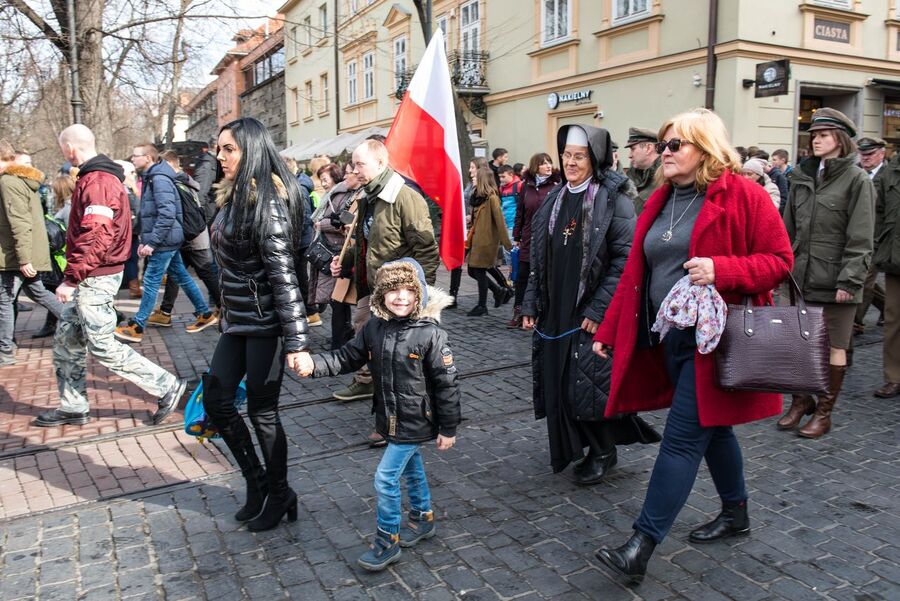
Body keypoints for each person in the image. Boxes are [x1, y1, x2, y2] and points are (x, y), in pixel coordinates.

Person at [592, 109, 793, 584]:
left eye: (675, 144)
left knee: (683, 439)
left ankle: (640, 546)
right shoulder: (660, 199)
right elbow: (636, 276)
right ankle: (736, 512)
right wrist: (608, 330)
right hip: (671, 338)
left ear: (705, 149)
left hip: (719, 341)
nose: (664, 152)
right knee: (715, 429)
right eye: (663, 144)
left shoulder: (743, 194)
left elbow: (780, 261)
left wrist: (723, 270)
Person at [294, 258, 460, 572]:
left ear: (419, 293)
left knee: (385, 477)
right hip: (389, 416)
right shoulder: (374, 327)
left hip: (417, 419)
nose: (400, 297)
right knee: (411, 467)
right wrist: (314, 364)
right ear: (381, 294)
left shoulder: (430, 334)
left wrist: (448, 428)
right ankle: (423, 518)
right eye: (392, 290)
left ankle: (387, 540)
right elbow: (347, 357)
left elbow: (447, 383)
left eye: (408, 290)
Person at [521, 124, 659, 486]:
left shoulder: (614, 201)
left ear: (594, 159)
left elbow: (625, 261)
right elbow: (539, 259)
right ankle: (578, 445)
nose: (570, 162)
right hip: (556, 309)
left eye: (579, 156)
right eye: (566, 155)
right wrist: (530, 303)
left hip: (588, 309)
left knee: (587, 383)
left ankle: (603, 450)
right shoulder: (554, 199)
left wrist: (599, 310)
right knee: (561, 382)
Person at [36, 124, 187, 426]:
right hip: (92, 274)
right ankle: (73, 406)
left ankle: (167, 385)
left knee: (102, 344)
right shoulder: (97, 178)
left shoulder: (98, 181)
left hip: (95, 276)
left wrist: (72, 278)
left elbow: (96, 235)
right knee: (67, 342)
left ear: (70, 148)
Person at [203, 117, 310, 531]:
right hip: (237, 321)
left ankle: (280, 493)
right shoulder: (231, 196)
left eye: (229, 149)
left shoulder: (266, 202)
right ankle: (257, 482)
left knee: (263, 413)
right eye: (219, 148)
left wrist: (297, 343)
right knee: (217, 401)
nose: (221, 156)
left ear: (251, 150)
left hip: (266, 324)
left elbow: (284, 278)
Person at [779, 108, 874, 439]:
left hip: (836, 280)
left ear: (840, 139)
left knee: (835, 345)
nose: (815, 140)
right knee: (796, 342)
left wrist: (850, 279)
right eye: (814, 135)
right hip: (800, 276)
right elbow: (787, 229)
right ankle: (801, 399)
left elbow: (861, 236)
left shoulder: (857, 179)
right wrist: (782, 266)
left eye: (823, 135)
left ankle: (824, 412)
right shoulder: (802, 176)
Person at [328, 139, 439, 407]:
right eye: (353, 164)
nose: (354, 170)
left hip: (399, 292)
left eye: (360, 164)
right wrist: (343, 260)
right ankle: (368, 381)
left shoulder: (404, 197)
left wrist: (421, 297)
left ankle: (407, 403)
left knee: (397, 350)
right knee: (363, 331)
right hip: (371, 285)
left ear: (380, 163)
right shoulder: (367, 196)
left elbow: (426, 249)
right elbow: (365, 241)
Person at [114, 143, 215, 342]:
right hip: (167, 238)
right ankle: (204, 313)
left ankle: (138, 326)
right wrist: (145, 239)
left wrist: (152, 243)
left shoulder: (159, 179)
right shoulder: (153, 177)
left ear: (148, 158)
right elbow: (150, 214)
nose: (132, 159)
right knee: (182, 276)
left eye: (136, 155)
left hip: (165, 240)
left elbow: (167, 214)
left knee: (151, 280)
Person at [0, 140, 65, 366]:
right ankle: (81, 326)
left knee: (5, 301)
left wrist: (24, 258)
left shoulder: (8, 182)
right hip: (24, 252)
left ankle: (5, 351)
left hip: (16, 255)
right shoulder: (19, 181)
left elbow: (19, 222)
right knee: (39, 293)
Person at [145, 150, 222, 328]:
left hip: (191, 236)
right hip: (191, 235)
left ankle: (223, 308)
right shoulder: (185, 180)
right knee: (177, 274)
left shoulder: (174, 181)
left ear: (168, 164)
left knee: (206, 273)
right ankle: (166, 312)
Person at [509, 153, 561, 328]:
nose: (548, 166)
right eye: (543, 163)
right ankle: (519, 311)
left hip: (547, 238)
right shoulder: (526, 186)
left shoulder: (556, 185)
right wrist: (517, 236)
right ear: (535, 167)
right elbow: (520, 212)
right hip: (528, 237)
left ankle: (541, 312)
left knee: (543, 274)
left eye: (549, 162)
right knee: (522, 275)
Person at [310, 162, 355, 349]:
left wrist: (321, 224)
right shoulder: (334, 194)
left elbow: (345, 222)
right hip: (331, 251)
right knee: (337, 300)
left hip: (336, 252)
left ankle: (340, 340)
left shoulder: (346, 195)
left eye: (325, 179)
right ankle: (342, 335)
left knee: (338, 299)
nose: (323, 183)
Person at [466, 168, 512, 317]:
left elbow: (500, 222)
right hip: (475, 241)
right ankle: (498, 291)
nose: (473, 178)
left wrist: (507, 244)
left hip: (486, 242)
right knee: (472, 271)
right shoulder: (477, 196)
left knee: (478, 271)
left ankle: (482, 305)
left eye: (476, 176)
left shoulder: (492, 198)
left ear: (482, 180)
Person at [853, 137, 887, 334]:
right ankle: (889, 307)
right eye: (862, 154)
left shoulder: (889, 176)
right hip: (856, 235)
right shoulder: (855, 173)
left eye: (870, 154)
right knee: (867, 280)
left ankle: (855, 322)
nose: (865, 158)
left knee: (864, 279)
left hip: (878, 237)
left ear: (881, 154)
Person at [873, 150, 900, 398]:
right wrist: (880, 243)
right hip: (895, 256)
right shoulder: (891, 171)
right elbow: (878, 211)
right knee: (894, 320)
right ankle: (894, 377)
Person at [114, 160, 143, 299]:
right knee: (130, 259)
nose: (134, 175)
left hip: (131, 230)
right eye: (131, 172)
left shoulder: (129, 188)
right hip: (127, 230)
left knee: (132, 259)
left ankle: (133, 286)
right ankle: (133, 287)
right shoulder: (124, 189)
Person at [624, 127, 660, 215]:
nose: (629, 155)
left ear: (648, 148)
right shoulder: (634, 175)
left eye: (633, 149)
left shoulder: (665, 178)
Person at [192, 140, 218, 221]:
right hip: (209, 214)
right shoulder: (206, 164)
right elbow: (200, 192)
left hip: (213, 210)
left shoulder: (214, 162)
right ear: (216, 146)